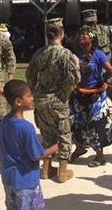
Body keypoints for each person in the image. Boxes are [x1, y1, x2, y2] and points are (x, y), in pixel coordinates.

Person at [0, 79, 58, 210]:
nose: (33, 98)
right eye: (29, 96)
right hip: (25, 179)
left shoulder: (5, 121)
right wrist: (56, 147)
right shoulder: (27, 128)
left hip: (9, 177)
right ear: (18, 102)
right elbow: (37, 155)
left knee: (10, 208)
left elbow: (0, 142)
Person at [26, 18, 80, 182]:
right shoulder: (66, 54)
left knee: (47, 134)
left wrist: (36, 92)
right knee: (64, 135)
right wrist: (66, 91)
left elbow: (30, 76)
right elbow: (74, 79)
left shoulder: (39, 53)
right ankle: (62, 171)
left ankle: (46, 169)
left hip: (42, 100)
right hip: (58, 100)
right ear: (62, 33)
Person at [74, 9, 112, 145]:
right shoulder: (81, 34)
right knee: (87, 105)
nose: (90, 25)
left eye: (92, 22)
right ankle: (87, 133)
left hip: (107, 72)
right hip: (90, 74)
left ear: (96, 20)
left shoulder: (107, 30)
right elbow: (76, 52)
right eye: (88, 23)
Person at [69, 24, 112, 167]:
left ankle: (100, 157)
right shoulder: (76, 54)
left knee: (97, 124)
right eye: (81, 34)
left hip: (95, 95)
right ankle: (80, 147)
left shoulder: (99, 54)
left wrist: (103, 82)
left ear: (92, 38)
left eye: (86, 34)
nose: (82, 36)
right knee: (76, 121)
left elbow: (110, 70)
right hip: (79, 95)